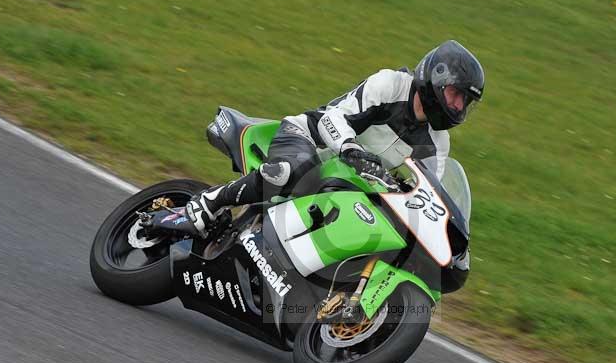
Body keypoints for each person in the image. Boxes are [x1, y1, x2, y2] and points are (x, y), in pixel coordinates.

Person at [186, 40, 485, 234]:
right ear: (436, 78)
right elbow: (333, 118)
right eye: (455, 94)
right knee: (292, 171)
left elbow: (428, 193)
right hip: (307, 138)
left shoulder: (437, 143)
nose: (458, 107)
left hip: (349, 182)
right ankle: (212, 201)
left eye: (465, 102)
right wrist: (351, 149)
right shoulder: (391, 85)